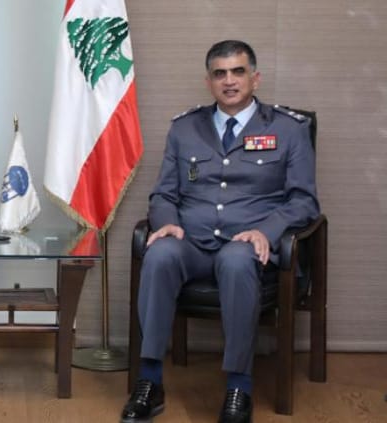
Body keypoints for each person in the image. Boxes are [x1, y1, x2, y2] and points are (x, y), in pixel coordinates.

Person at [120, 40, 319, 423]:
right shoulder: (184, 128)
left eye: (238, 72)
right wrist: (167, 222)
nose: (229, 81)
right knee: (158, 254)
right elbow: (164, 193)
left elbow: (304, 201)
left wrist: (266, 231)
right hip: (192, 242)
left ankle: (238, 387)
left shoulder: (287, 128)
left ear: (255, 78)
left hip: (247, 245)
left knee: (236, 260)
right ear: (208, 81)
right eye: (220, 73)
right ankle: (149, 381)